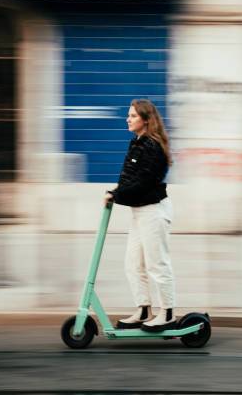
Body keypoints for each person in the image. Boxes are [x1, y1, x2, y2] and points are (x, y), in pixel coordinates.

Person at [104, 99, 176, 332]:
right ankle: (144, 309)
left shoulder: (153, 146)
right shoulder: (136, 143)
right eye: (129, 115)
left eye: (133, 116)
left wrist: (116, 195)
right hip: (140, 211)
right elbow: (128, 177)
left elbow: (144, 181)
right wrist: (117, 192)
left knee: (157, 264)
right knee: (133, 263)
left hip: (154, 210)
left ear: (146, 120)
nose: (128, 119)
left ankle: (167, 313)